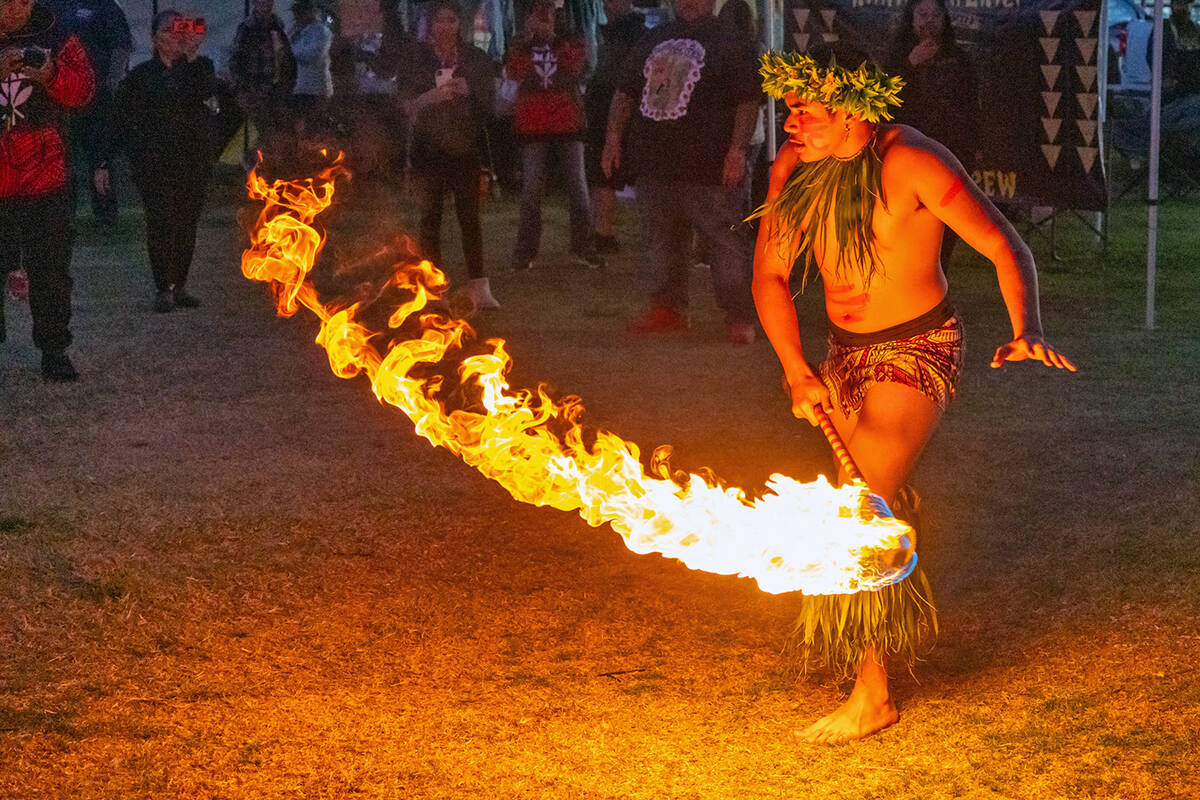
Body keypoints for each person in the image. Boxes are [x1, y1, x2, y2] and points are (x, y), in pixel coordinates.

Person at [751, 53, 1077, 744]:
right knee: (872, 500)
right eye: (789, 111)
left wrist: (1029, 328)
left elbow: (1002, 244)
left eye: (805, 111)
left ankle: (872, 696)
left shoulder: (914, 162)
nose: (791, 122)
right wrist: (794, 368)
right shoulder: (793, 169)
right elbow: (770, 279)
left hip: (916, 347)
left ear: (853, 113)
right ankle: (880, 650)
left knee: (856, 505)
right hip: (842, 355)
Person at [602, 0, 761, 344]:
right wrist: (613, 137)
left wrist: (737, 150)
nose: (688, 2)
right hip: (656, 163)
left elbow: (748, 100)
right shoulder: (653, 38)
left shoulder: (731, 41)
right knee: (660, 242)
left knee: (725, 242)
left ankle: (738, 315)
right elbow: (626, 91)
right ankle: (666, 308)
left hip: (710, 166)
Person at [0, 0, 94, 381]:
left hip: (44, 173)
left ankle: (54, 350)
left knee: (50, 269)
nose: (13, 9)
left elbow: (84, 92)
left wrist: (51, 74)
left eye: (22, 0)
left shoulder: (58, 32)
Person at [110, 10, 216, 313]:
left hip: (192, 160)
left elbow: (205, 91)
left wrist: (192, 55)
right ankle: (163, 286)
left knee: (186, 224)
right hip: (154, 162)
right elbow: (123, 117)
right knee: (161, 223)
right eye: (168, 30)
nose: (176, 35)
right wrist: (106, 159)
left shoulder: (199, 67)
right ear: (155, 38)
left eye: (180, 29)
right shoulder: (142, 75)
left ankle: (179, 284)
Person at [400, 0, 499, 310]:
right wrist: (428, 98)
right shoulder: (417, 59)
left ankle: (479, 287)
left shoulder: (475, 58)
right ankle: (434, 288)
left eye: (451, 20)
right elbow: (403, 104)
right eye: (439, 20)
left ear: (460, 24)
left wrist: (470, 90)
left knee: (469, 217)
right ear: (430, 24)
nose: (445, 26)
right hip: (429, 148)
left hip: (465, 146)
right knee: (430, 218)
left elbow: (490, 104)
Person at [505, 0, 601, 271]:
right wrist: (526, 41)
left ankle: (583, 247)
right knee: (531, 192)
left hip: (567, 121)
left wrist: (552, 39)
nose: (543, 15)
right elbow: (515, 73)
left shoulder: (573, 37)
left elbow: (575, 69)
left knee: (578, 188)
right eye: (538, 9)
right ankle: (525, 253)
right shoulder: (520, 41)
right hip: (533, 123)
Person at [885, 0, 978, 268]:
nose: (929, 20)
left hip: (951, 153)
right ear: (911, 18)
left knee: (946, 226)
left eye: (936, 14)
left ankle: (939, 284)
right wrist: (910, 65)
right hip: (908, 155)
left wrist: (973, 148)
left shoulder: (959, 59)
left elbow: (971, 105)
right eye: (923, 14)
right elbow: (884, 102)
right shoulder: (896, 57)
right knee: (911, 227)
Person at [45, 0, 131, 230]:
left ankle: (106, 216)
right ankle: (62, 216)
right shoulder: (49, 5)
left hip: (96, 95)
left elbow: (121, 45)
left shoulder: (104, 6)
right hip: (58, 94)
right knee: (60, 158)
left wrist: (112, 84)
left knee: (100, 157)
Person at [584, 0, 643, 254]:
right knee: (605, 175)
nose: (606, 5)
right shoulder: (619, 34)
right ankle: (603, 231)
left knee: (612, 173)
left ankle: (604, 231)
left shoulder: (631, 36)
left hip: (624, 111)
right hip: (609, 111)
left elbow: (618, 78)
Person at [230, 0, 296, 168]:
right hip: (256, 91)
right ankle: (256, 172)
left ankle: (269, 172)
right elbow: (235, 61)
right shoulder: (247, 28)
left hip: (277, 90)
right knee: (265, 133)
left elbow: (287, 59)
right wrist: (243, 90)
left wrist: (288, 84)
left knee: (278, 132)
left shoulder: (277, 27)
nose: (266, 3)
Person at [288, 0, 332, 136]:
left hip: (314, 90)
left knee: (314, 128)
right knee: (297, 128)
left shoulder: (321, 31)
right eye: (295, 12)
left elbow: (313, 55)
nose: (296, 16)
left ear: (309, 12)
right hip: (296, 89)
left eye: (299, 12)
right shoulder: (293, 30)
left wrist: (290, 54)